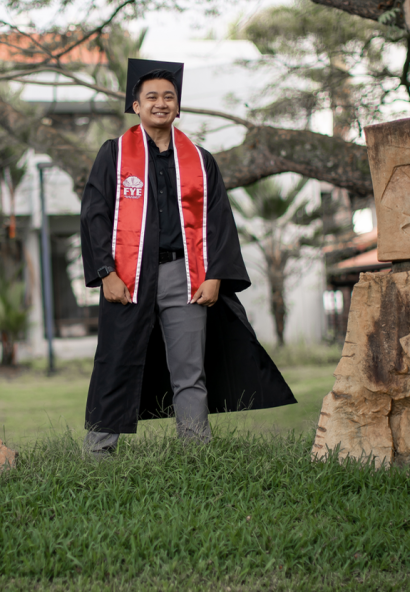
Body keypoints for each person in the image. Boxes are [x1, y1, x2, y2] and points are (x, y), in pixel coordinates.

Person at [80, 59, 296, 456]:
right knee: (115, 359)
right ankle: (97, 453)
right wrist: (105, 272)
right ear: (136, 106)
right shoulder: (114, 155)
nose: (160, 103)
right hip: (130, 275)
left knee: (189, 369)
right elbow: (95, 217)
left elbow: (219, 222)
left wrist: (214, 274)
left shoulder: (199, 160)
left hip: (186, 273)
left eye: (169, 97)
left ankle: (196, 452)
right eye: (151, 97)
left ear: (178, 107)